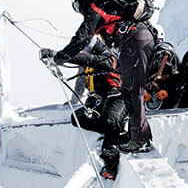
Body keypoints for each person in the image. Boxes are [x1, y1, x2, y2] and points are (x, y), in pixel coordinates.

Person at [45, 0, 157, 154]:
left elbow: (81, 39)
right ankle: (137, 136)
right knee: (131, 91)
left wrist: (60, 57)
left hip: (134, 40)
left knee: (132, 91)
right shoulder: (110, 5)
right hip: (140, 37)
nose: (82, 15)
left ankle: (140, 140)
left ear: (79, 4)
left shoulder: (96, 7)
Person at [42, 33, 127, 180]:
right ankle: (115, 130)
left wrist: (57, 56)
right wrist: (74, 101)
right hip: (99, 100)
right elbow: (80, 83)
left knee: (110, 120)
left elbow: (87, 59)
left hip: (119, 97)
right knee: (77, 117)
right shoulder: (86, 66)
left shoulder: (109, 58)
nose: (82, 52)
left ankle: (111, 160)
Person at [145, 25, 181, 111]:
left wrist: (167, 92)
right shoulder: (142, 55)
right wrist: (142, 92)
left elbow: (179, 80)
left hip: (167, 102)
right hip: (145, 100)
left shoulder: (169, 56)